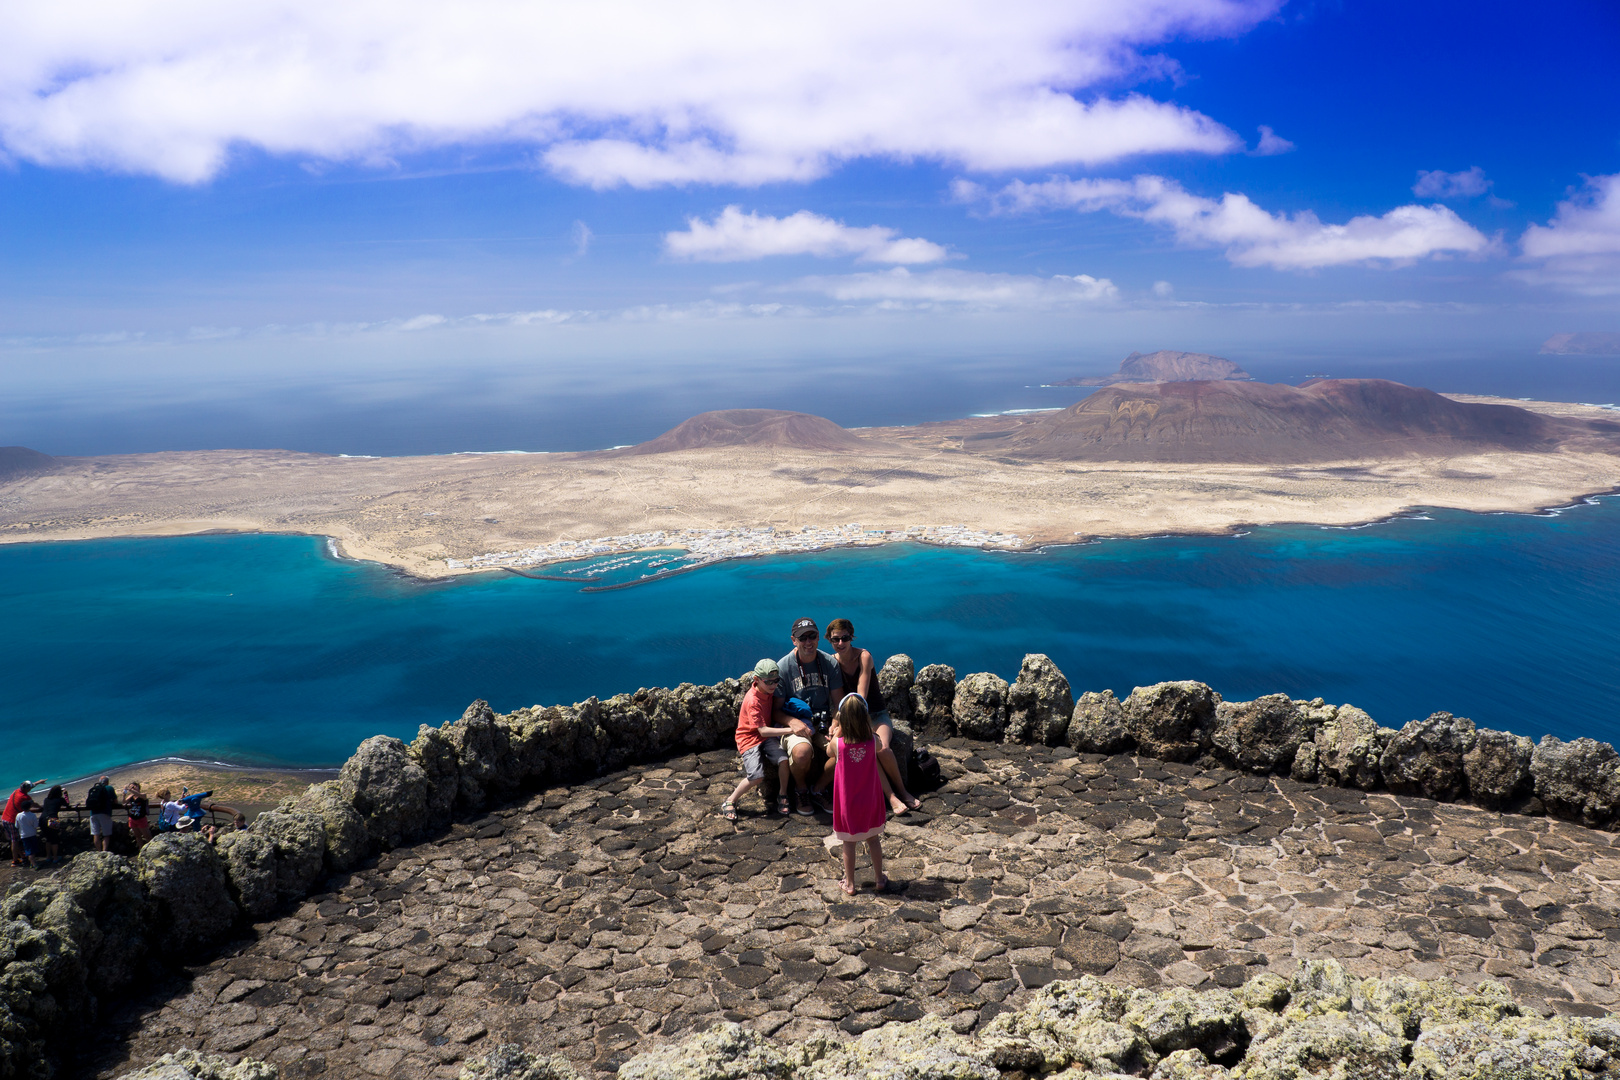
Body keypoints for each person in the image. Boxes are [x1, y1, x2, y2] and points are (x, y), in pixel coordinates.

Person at [815, 618, 922, 814]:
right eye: (835, 639)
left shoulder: (864, 657)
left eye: (845, 638)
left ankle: (903, 792)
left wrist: (843, 726)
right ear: (829, 640)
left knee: (883, 748)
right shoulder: (832, 663)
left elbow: (860, 696)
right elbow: (837, 699)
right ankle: (891, 797)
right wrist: (836, 722)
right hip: (850, 717)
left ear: (852, 637)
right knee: (868, 749)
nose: (840, 643)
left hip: (874, 714)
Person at [773, 617, 845, 815]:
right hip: (796, 723)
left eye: (812, 636)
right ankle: (801, 789)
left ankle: (819, 788)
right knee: (802, 752)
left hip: (823, 724)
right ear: (793, 640)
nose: (808, 642)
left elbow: (839, 704)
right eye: (802, 638)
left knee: (845, 748)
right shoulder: (784, 668)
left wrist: (837, 723)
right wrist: (793, 722)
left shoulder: (829, 663)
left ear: (819, 637)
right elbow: (776, 711)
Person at [720, 660, 796, 821]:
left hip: (765, 736)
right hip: (749, 738)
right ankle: (730, 800)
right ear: (756, 679)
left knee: (783, 760)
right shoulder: (753, 701)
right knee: (756, 776)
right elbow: (762, 730)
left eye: (776, 681)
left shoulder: (768, 691)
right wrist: (791, 729)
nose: (773, 685)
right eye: (768, 682)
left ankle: (782, 794)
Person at [827, 694, 887, 896]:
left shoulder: (838, 744)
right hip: (869, 800)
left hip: (847, 803)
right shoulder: (872, 741)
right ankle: (879, 879)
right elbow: (880, 746)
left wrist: (838, 731)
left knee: (849, 843)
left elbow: (828, 752)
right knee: (873, 839)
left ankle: (850, 883)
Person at [4, 780, 46, 867]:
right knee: (15, 841)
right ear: (28, 789)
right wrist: (42, 808)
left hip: (5, 817)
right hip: (11, 820)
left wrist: (38, 782)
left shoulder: (16, 791)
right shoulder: (25, 798)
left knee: (15, 839)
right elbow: (34, 804)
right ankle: (15, 861)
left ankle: (22, 857)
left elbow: (29, 786)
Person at [38, 785, 71, 865]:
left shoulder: (46, 799)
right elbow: (67, 804)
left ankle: (48, 856)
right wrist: (65, 794)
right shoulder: (59, 800)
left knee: (48, 839)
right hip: (52, 820)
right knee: (54, 839)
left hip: (42, 819)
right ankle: (55, 857)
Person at [84, 776, 118, 852]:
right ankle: (104, 851)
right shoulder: (109, 788)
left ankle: (99, 851)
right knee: (106, 834)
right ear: (107, 782)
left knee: (96, 834)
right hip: (104, 813)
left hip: (93, 813)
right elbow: (115, 801)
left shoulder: (95, 789)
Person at [13, 803, 41, 870]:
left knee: (28, 848)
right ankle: (34, 864)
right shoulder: (32, 815)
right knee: (32, 850)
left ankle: (32, 862)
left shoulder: (18, 815)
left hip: (23, 835)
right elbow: (35, 826)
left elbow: (16, 826)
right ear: (29, 807)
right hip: (32, 833)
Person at [123, 782, 152, 847]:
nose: (132, 788)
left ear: (138, 787)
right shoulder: (131, 796)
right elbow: (124, 802)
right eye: (131, 787)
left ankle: (151, 848)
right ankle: (141, 849)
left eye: (134, 787)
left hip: (141, 818)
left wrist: (130, 790)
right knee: (137, 836)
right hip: (132, 818)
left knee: (147, 836)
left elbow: (140, 795)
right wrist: (124, 794)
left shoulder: (143, 795)